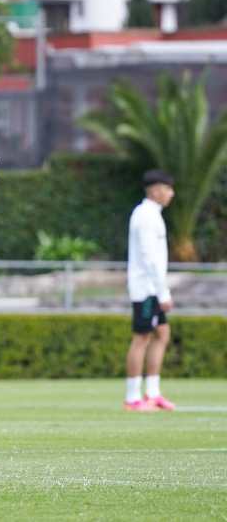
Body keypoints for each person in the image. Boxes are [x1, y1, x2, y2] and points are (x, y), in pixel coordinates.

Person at [124, 169, 176, 412]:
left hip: (152, 288)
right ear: (156, 190)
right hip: (145, 288)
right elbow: (148, 257)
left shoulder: (154, 215)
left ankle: (153, 393)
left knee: (162, 334)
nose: (171, 194)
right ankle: (133, 398)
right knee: (141, 338)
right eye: (168, 189)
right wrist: (162, 292)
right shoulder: (145, 215)